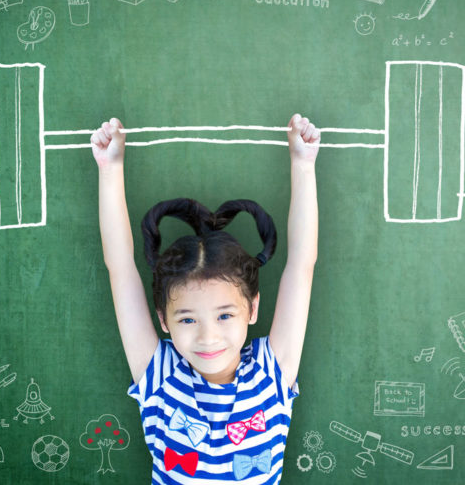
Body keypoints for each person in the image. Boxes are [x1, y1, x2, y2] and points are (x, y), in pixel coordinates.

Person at [91, 114, 320, 484]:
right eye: (187, 319)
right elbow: (119, 268)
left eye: (225, 315)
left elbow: (301, 266)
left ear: (253, 308)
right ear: (163, 321)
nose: (208, 337)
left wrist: (303, 164)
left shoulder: (271, 372)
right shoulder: (161, 377)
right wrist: (109, 168)